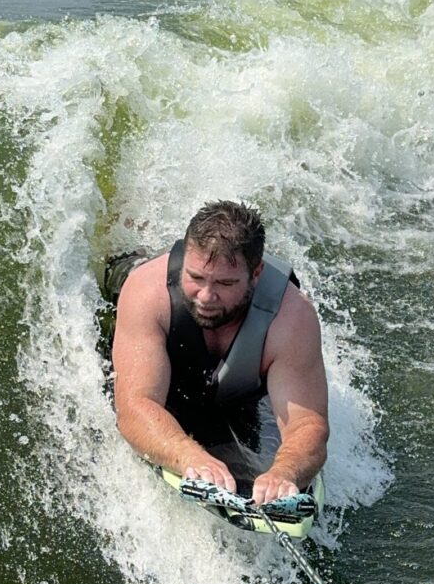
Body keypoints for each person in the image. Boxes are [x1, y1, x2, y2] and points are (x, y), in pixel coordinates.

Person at [110, 200, 329, 507]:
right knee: (120, 272)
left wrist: (284, 472)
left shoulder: (291, 317)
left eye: (225, 283)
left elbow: (308, 425)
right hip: (158, 351)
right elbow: (134, 407)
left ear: (256, 273)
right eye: (196, 277)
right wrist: (188, 456)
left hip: (233, 391)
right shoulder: (148, 292)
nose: (206, 296)